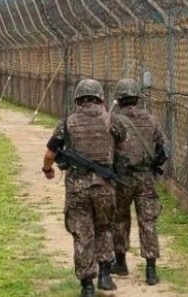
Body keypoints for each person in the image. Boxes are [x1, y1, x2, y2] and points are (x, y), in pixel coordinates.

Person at [42, 78, 127, 297]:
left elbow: (50, 153)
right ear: (100, 98)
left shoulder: (67, 123)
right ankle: (106, 276)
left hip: (77, 188)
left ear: (78, 99)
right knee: (104, 228)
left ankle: (87, 286)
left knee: (82, 234)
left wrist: (47, 170)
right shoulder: (112, 120)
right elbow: (122, 140)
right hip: (105, 187)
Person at [110, 78, 169, 285]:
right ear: (137, 98)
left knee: (119, 219)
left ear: (119, 99)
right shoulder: (150, 120)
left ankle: (120, 263)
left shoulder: (114, 121)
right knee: (148, 222)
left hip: (122, 179)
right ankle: (151, 271)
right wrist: (154, 165)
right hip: (146, 178)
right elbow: (163, 149)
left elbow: (108, 150)